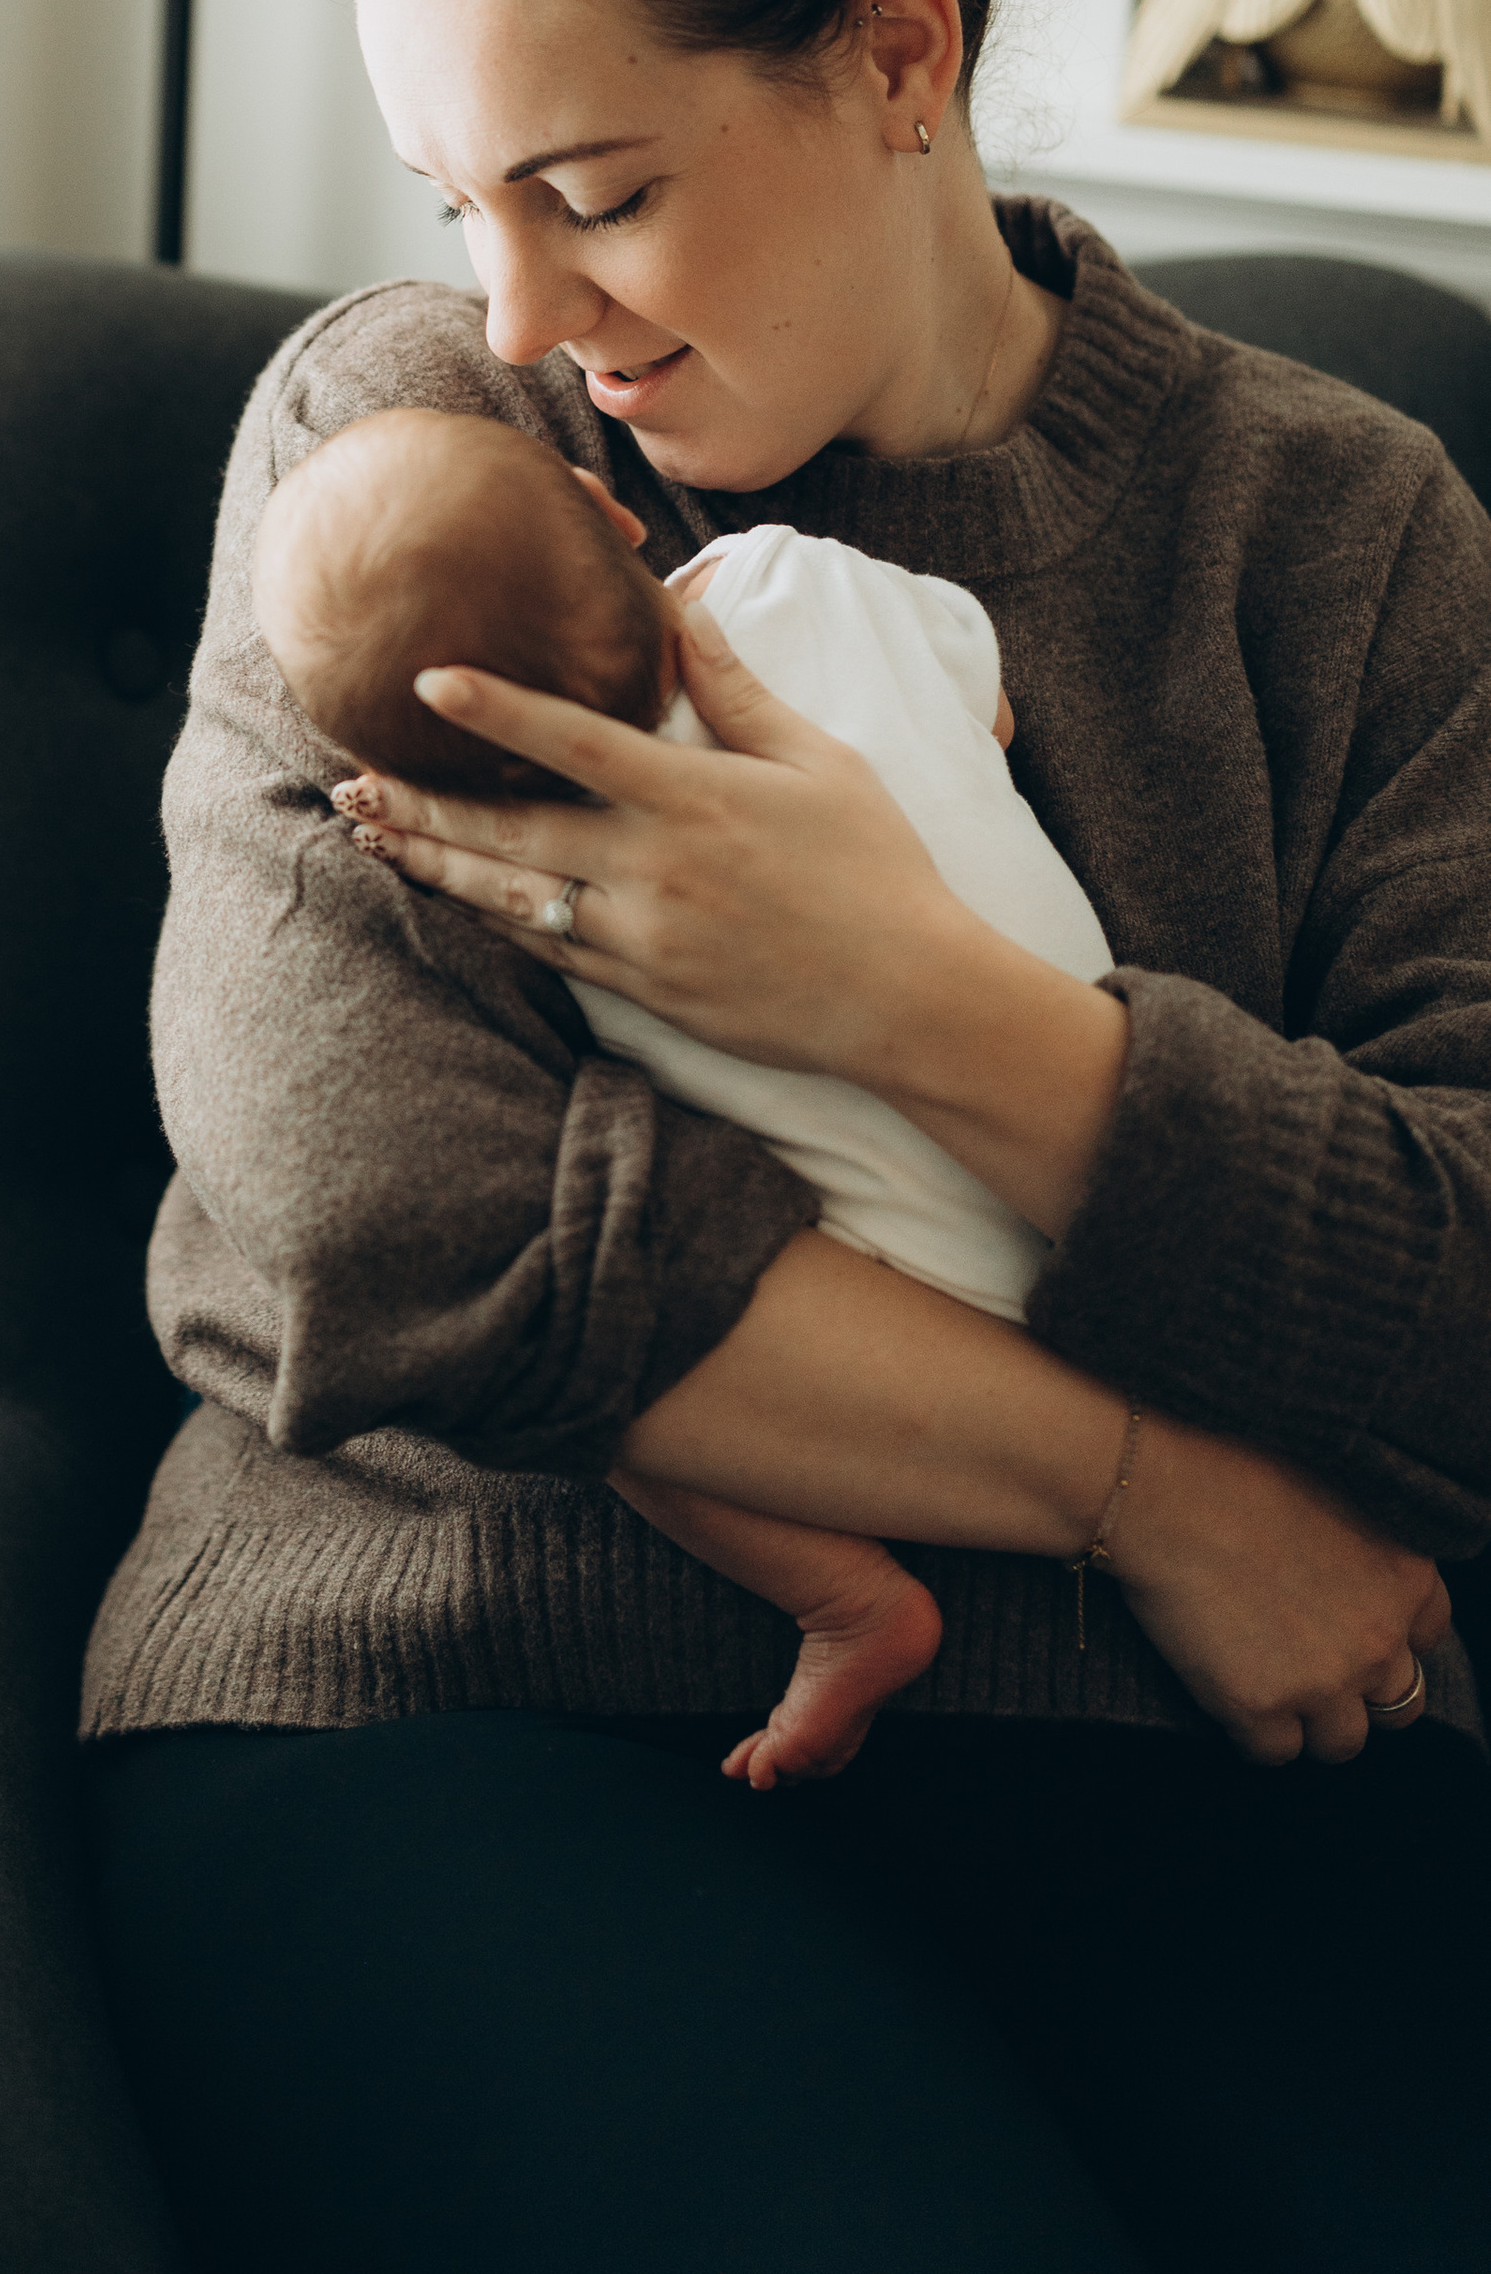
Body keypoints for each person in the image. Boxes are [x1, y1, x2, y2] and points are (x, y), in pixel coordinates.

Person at [77, 0, 1491, 2274]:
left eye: (594, 190)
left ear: (898, 49)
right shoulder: (401, 450)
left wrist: (936, 1016)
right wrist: (1164, 1494)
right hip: (448, 1700)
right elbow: (391, 1211)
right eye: (460, 198)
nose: (525, 314)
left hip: (1205, 1771)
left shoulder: (1335, 548)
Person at [252, 403, 1112, 1785]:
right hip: (1095, 1172)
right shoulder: (789, 578)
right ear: (610, 515)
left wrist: (405, 817)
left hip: (877, 1324)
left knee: (609, 1359)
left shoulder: (538, 892)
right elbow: (986, 695)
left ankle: (848, 1599)